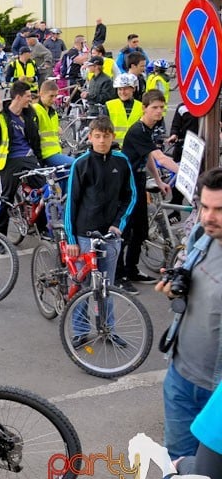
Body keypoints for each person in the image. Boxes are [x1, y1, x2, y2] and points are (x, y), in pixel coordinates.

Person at [132, 167, 222, 479]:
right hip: (183, 376)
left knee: (208, 478)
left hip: (218, 396)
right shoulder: (201, 234)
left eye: (218, 210)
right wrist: (173, 288)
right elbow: (185, 278)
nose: (208, 216)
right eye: (203, 206)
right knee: (180, 467)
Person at [63, 116, 136, 346]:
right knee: (83, 286)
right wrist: (72, 238)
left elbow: (130, 196)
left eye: (106, 136)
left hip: (110, 235)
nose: (102, 140)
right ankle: (80, 330)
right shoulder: (81, 164)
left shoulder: (122, 162)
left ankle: (108, 330)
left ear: (112, 137)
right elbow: (71, 204)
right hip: (84, 235)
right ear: (90, 137)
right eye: (97, 136)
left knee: (107, 286)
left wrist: (119, 224)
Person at [115, 90, 179, 293]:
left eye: (162, 107)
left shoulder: (151, 128)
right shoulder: (138, 130)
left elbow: (149, 157)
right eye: (154, 108)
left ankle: (131, 269)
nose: (159, 111)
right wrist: (186, 173)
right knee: (124, 233)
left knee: (141, 230)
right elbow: (160, 157)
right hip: (127, 185)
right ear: (144, 108)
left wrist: (159, 181)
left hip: (139, 181)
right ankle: (118, 276)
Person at [0, 81, 44, 237]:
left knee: (44, 192)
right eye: (27, 96)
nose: (30, 99)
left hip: (29, 158)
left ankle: (42, 227)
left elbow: (35, 140)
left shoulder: (30, 114)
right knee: (6, 199)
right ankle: (0, 237)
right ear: (17, 97)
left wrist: (40, 162)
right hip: (9, 162)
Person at [31, 80, 75, 168]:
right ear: (41, 94)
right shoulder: (35, 110)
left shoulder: (52, 112)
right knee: (76, 164)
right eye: (51, 96)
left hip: (55, 151)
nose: (54, 99)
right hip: (46, 154)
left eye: (55, 96)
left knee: (66, 178)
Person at [106, 73, 144, 146]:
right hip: (114, 149)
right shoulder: (109, 105)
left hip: (135, 149)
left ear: (133, 89)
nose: (122, 92)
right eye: (120, 89)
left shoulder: (141, 107)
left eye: (126, 89)